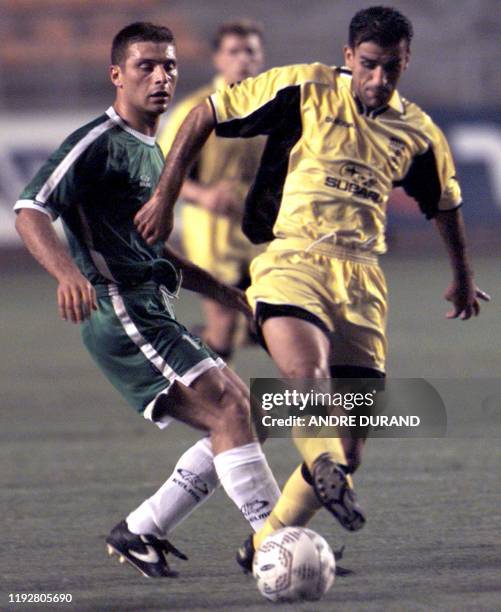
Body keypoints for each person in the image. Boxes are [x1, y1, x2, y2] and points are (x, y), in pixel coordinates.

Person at [132, 6, 490, 571]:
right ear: (349, 57)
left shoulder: (418, 132)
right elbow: (205, 112)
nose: (378, 79)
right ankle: (316, 465)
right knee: (304, 375)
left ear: (405, 63)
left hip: (364, 282)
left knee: (346, 445)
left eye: (391, 69)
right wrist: (165, 197)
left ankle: (263, 544)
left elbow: (445, 205)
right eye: (368, 65)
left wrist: (463, 280)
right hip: (293, 259)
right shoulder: (305, 87)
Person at [14, 22, 280, 579]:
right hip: (119, 310)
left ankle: (142, 530)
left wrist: (232, 297)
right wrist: (67, 274)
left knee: (237, 413)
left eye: (169, 66)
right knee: (229, 411)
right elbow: (30, 208)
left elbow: (159, 250)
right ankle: (276, 540)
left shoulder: (153, 151)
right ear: (117, 75)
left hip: (150, 305)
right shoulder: (97, 142)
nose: (161, 77)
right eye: (146, 66)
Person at [158, 20, 266, 360]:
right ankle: (216, 400)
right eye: (234, 51)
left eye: (250, 51)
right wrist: (204, 195)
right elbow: (162, 173)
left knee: (273, 316)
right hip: (213, 232)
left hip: (263, 232)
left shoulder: (276, 107)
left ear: (261, 57)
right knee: (223, 325)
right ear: (218, 59)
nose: (243, 59)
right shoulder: (199, 109)